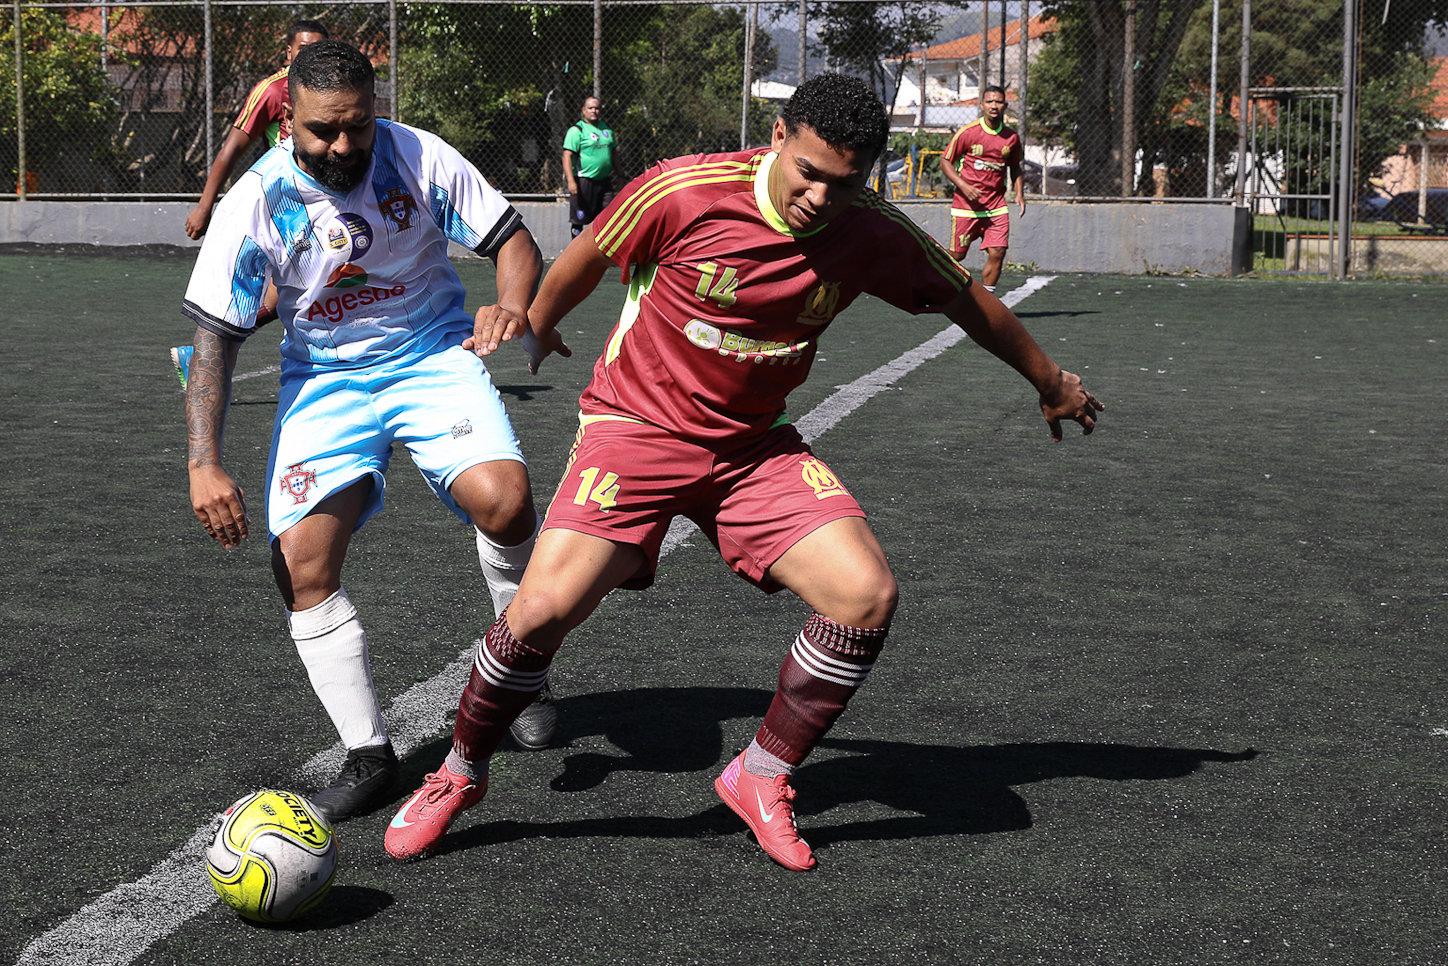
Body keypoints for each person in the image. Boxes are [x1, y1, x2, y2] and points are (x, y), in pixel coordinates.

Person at [384, 72, 1102, 870]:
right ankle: (459, 772)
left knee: (865, 596)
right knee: (543, 609)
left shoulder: (873, 230)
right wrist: (541, 320)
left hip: (753, 447)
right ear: (779, 138)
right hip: (636, 429)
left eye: (845, 183)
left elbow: (969, 300)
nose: (822, 198)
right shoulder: (683, 191)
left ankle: (760, 773)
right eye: (809, 173)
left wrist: (1050, 381)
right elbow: (590, 253)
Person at [181, 40, 561, 822]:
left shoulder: (418, 156)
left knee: (507, 501)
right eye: (323, 130)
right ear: (287, 121)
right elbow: (214, 338)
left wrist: (512, 304)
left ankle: (522, 670)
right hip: (325, 381)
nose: (343, 145)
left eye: (357, 126)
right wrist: (203, 463)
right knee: (300, 562)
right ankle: (370, 756)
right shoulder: (255, 202)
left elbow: (513, 242)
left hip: (433, 356)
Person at [171, 20, 328, 390]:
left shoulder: (334, 85)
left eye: (319, 48)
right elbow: (231, 150)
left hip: (328, 200)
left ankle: (200, 356)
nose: (311, 55)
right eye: (303, 48)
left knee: (304, 287)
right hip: (289, 205)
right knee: (300, 284)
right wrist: (205, 205)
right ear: (289, 52)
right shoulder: (272, 91)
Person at [940, 85, 1025, 294]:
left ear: (1005, 105)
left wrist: (1020, 194)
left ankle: (987, 299)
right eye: (989, 102)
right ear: (982, 105)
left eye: (998, 102)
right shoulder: (967, 133)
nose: (994, 106)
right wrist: (963, 185)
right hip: (966, 207)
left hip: (995, 206)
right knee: (957, 256)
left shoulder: (1011, 138)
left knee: (998, 251)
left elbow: (1015, 167)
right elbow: (945, 162)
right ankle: (929, 274)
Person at [561, 96, 617, 237]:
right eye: (590, 108)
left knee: (609, 218)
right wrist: (571, 181)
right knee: (579, 221)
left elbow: (614, 153)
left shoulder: (606, 129)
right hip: (583, 181)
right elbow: (567, 156)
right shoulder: (577, 130)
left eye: (597, 108)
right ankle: (575, 249)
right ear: (583, 110)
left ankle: (601, 248)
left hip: (604, 182)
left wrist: (621, 175)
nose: (594, 111)